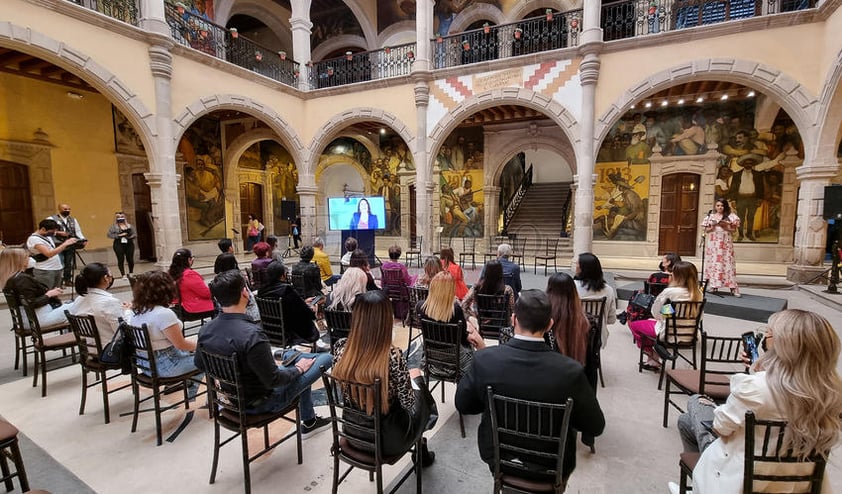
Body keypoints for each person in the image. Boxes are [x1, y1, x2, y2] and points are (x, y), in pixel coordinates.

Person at [675, 309, 842, 494]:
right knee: (685, 421)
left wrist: (756, 373)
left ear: (782, 345)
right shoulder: (832, 393)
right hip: (799, 483)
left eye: (768, 333)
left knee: (696, 403)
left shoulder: (755, 387)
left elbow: (720, 427)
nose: (763, 338)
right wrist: (759, 369)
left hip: (741, 479)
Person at [455, 290, 606, 483]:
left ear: (513, 319)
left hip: (499, 459)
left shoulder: (485, 360)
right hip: (553, 467)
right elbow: (594, 425)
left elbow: (464, 404)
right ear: (550, 324)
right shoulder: (570, 372)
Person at [194, 270, 332, 434]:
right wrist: (298, 369)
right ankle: (291, 359)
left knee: (295, 365)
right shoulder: (251, 334)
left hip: (231, 399)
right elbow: (274, 380)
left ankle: (309, 420)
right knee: (325, 359)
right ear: (244, 293)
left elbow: (200, 364)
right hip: (263, 402)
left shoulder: (205, 330)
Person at [332, 290, 436, 465]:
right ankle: (422, 446)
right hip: (387, 441)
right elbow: (409, 402)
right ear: (386, 320)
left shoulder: (341, 349)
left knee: (419, 393)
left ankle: (422, 443)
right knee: (422, 391)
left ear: (357, 318)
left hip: (352, 432)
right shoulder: (393, 358)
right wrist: (415, 382)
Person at [628, 261, 703, 370]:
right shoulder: (698, 293)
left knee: (634, 325)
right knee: (651, 322)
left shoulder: (670, 292)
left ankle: (652, 356)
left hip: (668, 333)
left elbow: (656, 313)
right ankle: (654, 357)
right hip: (692, 334)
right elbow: (699, 317)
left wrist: (666, 317)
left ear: (677, 276)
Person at [130, 271, 200, 381]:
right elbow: (181, 344)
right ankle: (196, 393)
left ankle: (190, 386)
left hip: (146, 365)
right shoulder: (163, 314)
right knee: (211, 359)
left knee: (198, 352)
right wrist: (204, 347)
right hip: (169, 365)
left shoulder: (137, 312)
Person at [417, 272, 479, 375]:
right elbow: (463, 337)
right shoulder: (455, 310)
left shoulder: (420, 307)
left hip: (431, 359)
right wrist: (468, 334)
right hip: (456, 361)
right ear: (450, 290)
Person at [259, 261, 328, 350]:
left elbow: (292, 305)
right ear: (282, 275)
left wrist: (303, 302)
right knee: (308, 317)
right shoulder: (286, 290)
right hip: (290, 331)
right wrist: (311, 310)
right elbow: (303, 311)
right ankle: (315, 348)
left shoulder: (262, 291)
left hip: (270, 331)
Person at [1, 247, 73, 328]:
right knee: (77, 306)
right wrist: (48, 294)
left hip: (28, 317)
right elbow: (31, 303)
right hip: (37, 318)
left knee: (73, 305)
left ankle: (69, 337)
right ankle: (74, 338)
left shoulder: (10, 278)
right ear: (18, 261)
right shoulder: (22, 279)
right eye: (26, 257)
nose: (29, 259)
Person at [70, 262, 131, 343]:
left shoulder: (80, 299)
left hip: (91, 346)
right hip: (111, 349)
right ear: (106, 278)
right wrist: (128, 311)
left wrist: (121, 309)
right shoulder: (108, 302)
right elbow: (121, 332)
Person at [573, 253, 617, 348]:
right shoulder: (608, 290)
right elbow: (611, 319)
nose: (575, 266)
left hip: (574, 334)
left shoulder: (571, 286)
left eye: (577, 264)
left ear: (582, 269)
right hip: (598, 336)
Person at [702, 198, 741, 297]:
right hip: (714, 245)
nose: (720, 207)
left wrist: (725, 227)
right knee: (714, 263)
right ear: (715, 206)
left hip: (725, 244)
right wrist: (713, 226)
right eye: (718, 205)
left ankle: (733, 288)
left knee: (727, 264)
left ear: (725, 206)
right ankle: (714, 286)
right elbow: (706, 230)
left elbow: (733, 230)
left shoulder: (731, 216)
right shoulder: (711, 216)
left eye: (722, 206)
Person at [27, 219, 78, 289]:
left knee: (56, 292)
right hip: (45, 270)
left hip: (56, 268)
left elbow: (52, 247)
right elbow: (49, 254)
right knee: (47, 293)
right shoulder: (34, 239)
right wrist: (65, 244)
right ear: (43, 229)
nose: (54, 233)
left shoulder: (46, 236)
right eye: (52, 231)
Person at [213, 253, 260, 322]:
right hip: (246, 316)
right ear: (234, 264)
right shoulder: (238, 278)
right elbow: (248, 298)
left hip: (224, 316)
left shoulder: (215, 281)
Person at [168, 248, 214, 316]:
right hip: (191, 310)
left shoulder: (169, 273)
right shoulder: (189, 275)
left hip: (177, 307)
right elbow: (207, 293)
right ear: (189, 260)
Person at [49, 203, 87, 286]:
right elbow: (48, 231)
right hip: (57, 244)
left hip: (70, 244)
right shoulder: (52, 219)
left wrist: (83, 239)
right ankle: (58, 282)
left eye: (69, 209)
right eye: (65, 209)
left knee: (68, 263)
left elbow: (78, 231)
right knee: (59, 263)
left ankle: (67, 280)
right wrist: (59, 233)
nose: (67, 211)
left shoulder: (73, 220)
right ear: (59, 209)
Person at [107, 211, 136, 278]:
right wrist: (119, 235)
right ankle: (123, 274)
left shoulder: (129, 226)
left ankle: (131, 273)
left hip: (129, 243)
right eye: (118, 217)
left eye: (122, 217)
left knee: (130, 259)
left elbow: (135, 234)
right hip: (118, 244)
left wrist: (130, 236)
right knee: (120, 259)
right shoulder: (113, 227)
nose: (120, 218)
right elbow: (109, 235)